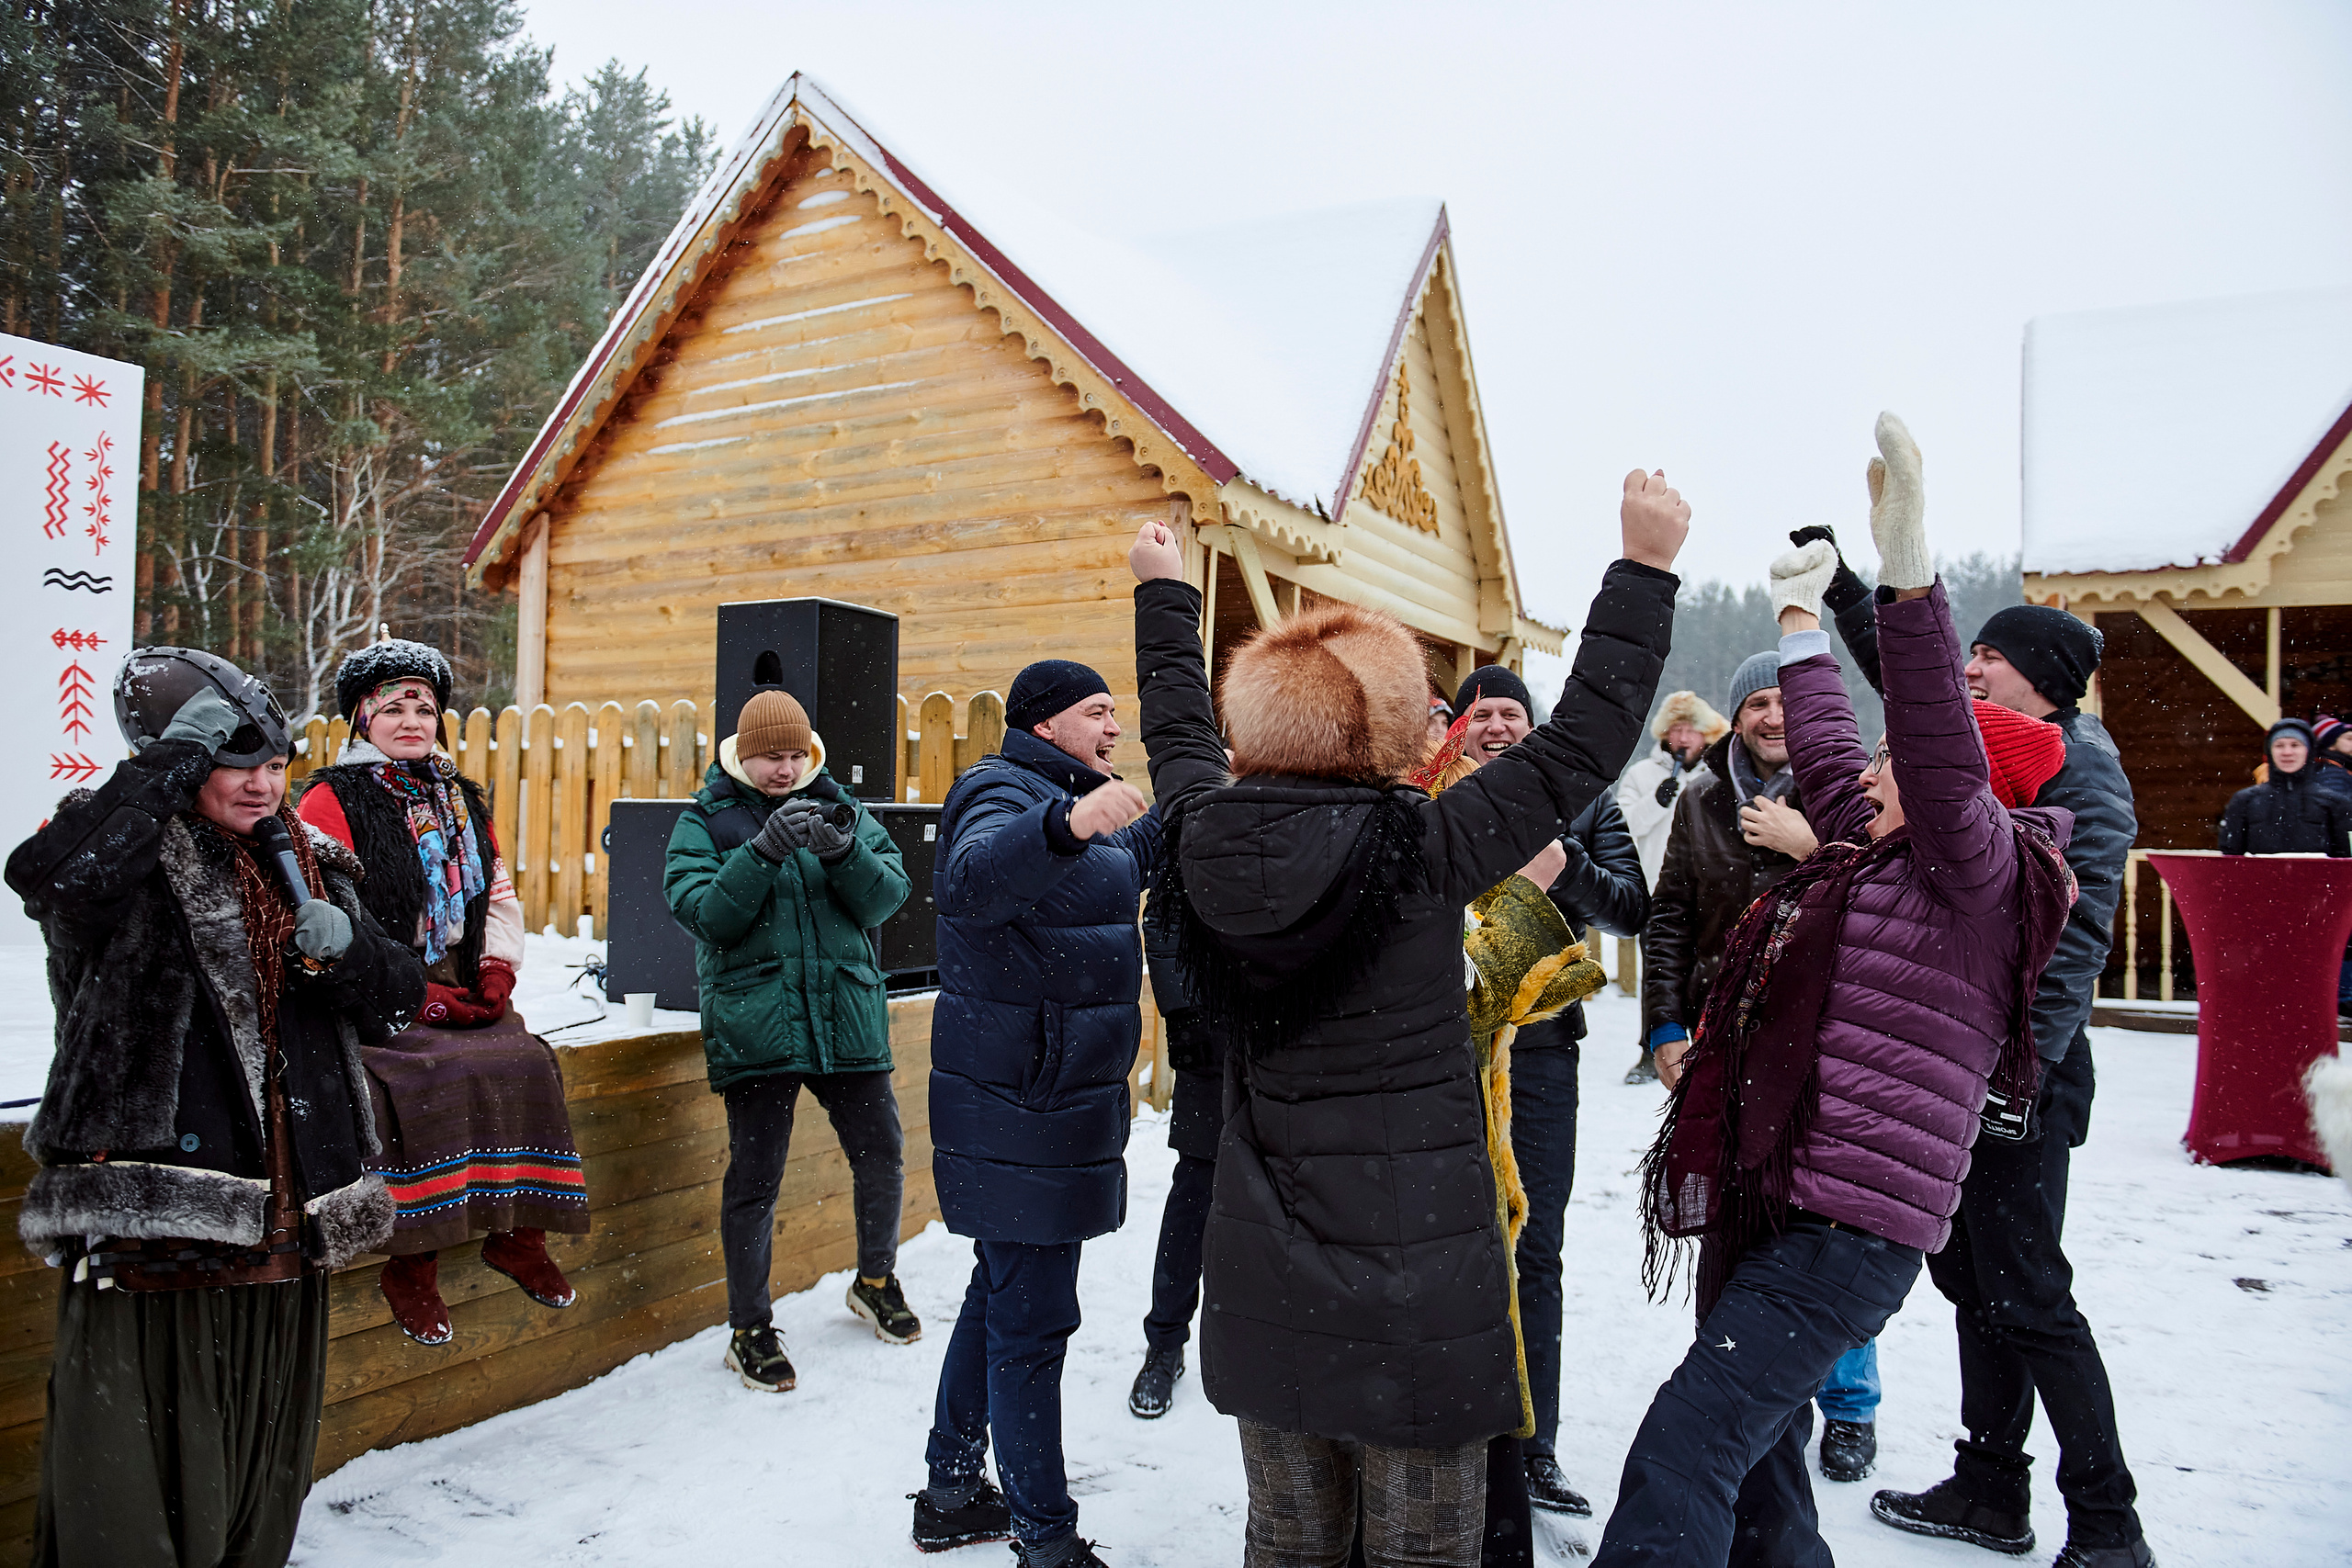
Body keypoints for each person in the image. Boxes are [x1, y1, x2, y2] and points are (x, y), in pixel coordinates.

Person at [1134, 469, 1686, 1568]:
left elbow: (1173, 730)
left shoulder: (1202, 833)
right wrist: (1644, 568)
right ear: (1391, 728)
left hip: (1264, 1269)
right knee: (1421, 1549)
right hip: (1416, 1272)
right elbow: (1583, 743)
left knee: (1288, 1545)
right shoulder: (1424, 845)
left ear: (1257, 726)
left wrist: (1160, 594)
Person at [1597, 413, 2078, 1568]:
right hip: (1785, 1199)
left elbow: (1931, 733)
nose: (1860, 773)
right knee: (1759, 1468)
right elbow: (1821, 746)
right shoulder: (1876, 853)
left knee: (1684, 1449)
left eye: (1887, 764)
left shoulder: (1981, 872)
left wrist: (1906, 575)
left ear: (1952, 782)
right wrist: (1800, 621)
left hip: (1847, 1229)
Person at [6, 649, 424, 1568]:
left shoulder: (311, 863)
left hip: (286, 1203)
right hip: (160, 1208)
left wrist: (351, 948)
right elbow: (52, 881)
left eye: (276, 763)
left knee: (261, 1458)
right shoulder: (121, 852)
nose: (264, 784)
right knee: (134, 1466)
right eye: (238, 763)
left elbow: (398, 997)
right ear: (188, 761)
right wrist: (163, 771)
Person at [1813, 586, 2153, 1564]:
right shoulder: (1995, 745)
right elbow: (1910, 685)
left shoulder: (2081, 772)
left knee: (2030, 1293)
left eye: (1988, 656)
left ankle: (2108, 1524)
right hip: (1974, 1060)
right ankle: (1990, 1486)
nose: (1967, 667)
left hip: (2023, 1069)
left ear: (2039, 679)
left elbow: (2072, 940)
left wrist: (2020, 1073)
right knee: (1974, 1281)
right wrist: (1850, 595)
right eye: (1967, 653)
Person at [913, 661, 1159, 1566]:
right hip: (1018, 1105)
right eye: (1099, 712)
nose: (1113, 728)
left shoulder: (1090, 805)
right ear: (1046, 724)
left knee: (1003, 1293)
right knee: (1032, 1323)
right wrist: (1062, 822)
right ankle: (1046, 1541)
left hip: (1054, 1108)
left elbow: (1162, 848)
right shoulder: (1000, 791)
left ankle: (949, 1491)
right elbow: (973, 884)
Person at [296, 639, 588, 1345]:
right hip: (377, 991)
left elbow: (499, 892)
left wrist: (494, 974)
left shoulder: (460, 798)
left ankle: (515, 1231)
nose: (411, 719)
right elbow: (330, 911)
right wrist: (414, 996)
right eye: (391, 706)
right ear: (361, 720)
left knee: (525, 1058)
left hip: (459, 980)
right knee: (425, 1074)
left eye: (423, 706)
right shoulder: (330, 797)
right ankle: (412, 1257)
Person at [664, 689, 916, 1393]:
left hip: (846, 1015)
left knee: (883, 1154)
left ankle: (876, 1279)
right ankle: (749, 1327)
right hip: (758, 1024)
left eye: (796, 753)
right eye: (772, 754)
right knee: (755, 1179)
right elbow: (709, 916)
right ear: (741, 754)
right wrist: (762, 852)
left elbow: (885, 898)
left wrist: (841, 851)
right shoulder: (704, 821)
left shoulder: (845, 808)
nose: (786, 767)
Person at [1453, 663, 1650, 1519]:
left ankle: (1535, 1444)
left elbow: (1634, 907)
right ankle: (1451, 1427)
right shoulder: (1429, 797)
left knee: (1534, 1243)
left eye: (1512, 712)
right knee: (1446, 1241)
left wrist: (1562, 870)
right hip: (1443, 1050)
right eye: (1482, 712)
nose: (1498, 724)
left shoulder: (1583, 796)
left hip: (1538, 1052)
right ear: (1457, 725)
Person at [1634, 650, 1805, 1094]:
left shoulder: (1839, 789)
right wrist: (1665, 1023)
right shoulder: (1700, 798)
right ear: (1735, 721)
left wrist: (1809, 849)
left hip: (1814, 1020)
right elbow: (1672, 916)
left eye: (1787, 702)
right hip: (1716, 1014)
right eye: (1758, 704)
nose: (1774, 716)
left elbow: (1878, 897)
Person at [1126, 871, 1228, 1420]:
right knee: (1194, 1201)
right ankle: (1164, 1344)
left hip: (1291, 1047)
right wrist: (1185, 1015)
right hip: (1210, 1043)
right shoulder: (1200, 798)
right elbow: (1163, 915)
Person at [1617, 692, 1728, 891]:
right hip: (1652, 888)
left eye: (1691, 730)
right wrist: (1654, 803)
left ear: (1706, 734)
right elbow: (1619, 830)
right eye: (1677, 729)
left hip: (1708, 890)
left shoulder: (1721, 777)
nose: (1683, 738)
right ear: (1666, 733)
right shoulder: (1640, 773)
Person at [2218, 717, 2352, 856]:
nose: (2287, 752)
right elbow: (2230, 857)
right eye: (2279, 745)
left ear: (2308, 751)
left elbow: (2345, 861)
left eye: (2295, 745)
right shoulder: (2244, 801)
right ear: (2270, 751)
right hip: (2259, 878)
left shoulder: (2335, 803)